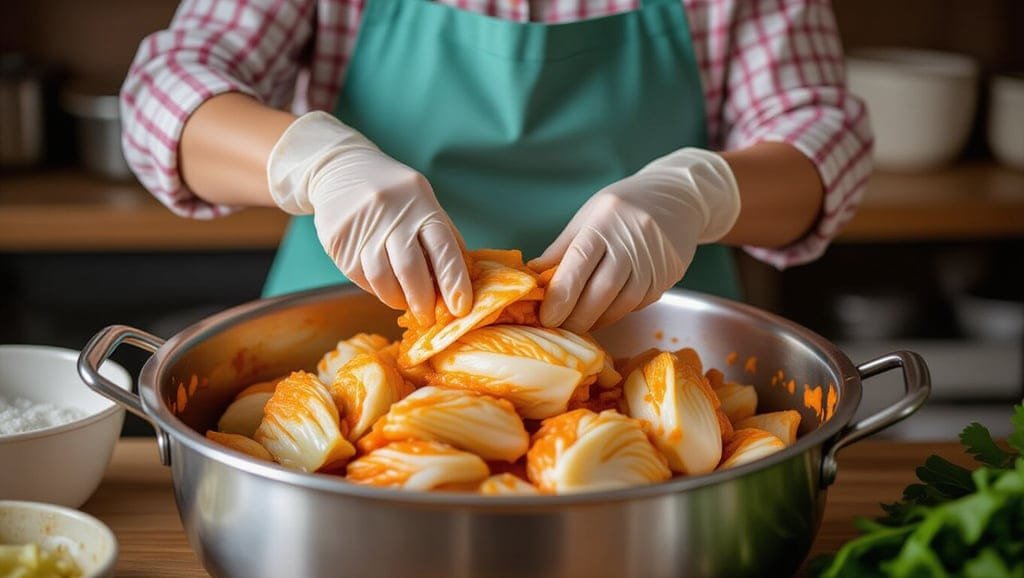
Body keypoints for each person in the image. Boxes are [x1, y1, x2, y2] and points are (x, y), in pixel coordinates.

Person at [121, 0, 871, 333]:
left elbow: (821, 137)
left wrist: (697, 192)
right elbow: (167, 86)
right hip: (344, 336)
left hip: (647, 343)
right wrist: (315, 161)